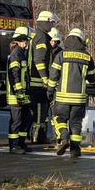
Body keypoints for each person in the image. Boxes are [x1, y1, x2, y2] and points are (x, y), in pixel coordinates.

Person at [45, 27, 95, 160]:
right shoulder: (87, 56)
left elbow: (53, 75)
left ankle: (63, 137)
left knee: (59, 119)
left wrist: (50, 90)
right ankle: (75, 150)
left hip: (62, 97)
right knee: (76, 123)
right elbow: (92, 78)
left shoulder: (61, 55)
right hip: (79, 98)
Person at [28, 10, 60, 144]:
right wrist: (45, 79)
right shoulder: (41, 37)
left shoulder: (39, 36)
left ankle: (39, 136)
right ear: (45, 22)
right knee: (40, 112)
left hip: (37, 81)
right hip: (38, 83)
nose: (52, 25)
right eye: (51, 23)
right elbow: (39, 60)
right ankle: (38, 137)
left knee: (41, 111)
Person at [5, 26, 34, 155]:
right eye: (26, 40)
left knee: (27, 118)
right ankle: (13, 145)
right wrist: (18, 91)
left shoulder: (21, 53)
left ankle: (21, 143)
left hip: (23, 93)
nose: (27, 43)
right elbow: (14, 73)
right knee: (16, 120)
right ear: (21, 41)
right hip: (16, 94)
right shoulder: (16, 53)